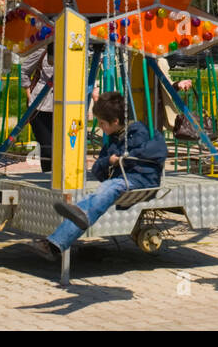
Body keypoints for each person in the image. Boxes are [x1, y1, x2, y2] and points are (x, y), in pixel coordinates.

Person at [37, 90, 168, 256]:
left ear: (115, 121)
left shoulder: (141, 132)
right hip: (123, 182)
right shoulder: (113, 139)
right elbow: (98, 169)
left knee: (106, 190)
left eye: (101, 123)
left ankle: (63, 235)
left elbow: (158, 150)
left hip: (143, 181)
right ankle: (55, 243)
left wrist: (122, 159)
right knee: (97, 196)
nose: (99, 127)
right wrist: (109, 161)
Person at [22, 41, 55, 173]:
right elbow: (24, 70)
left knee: (63, 147)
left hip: (65, 106)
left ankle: (60, 176)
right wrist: (29, 93)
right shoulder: (42, 51)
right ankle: (48, 175)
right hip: (41, 106)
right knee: (47, 147)